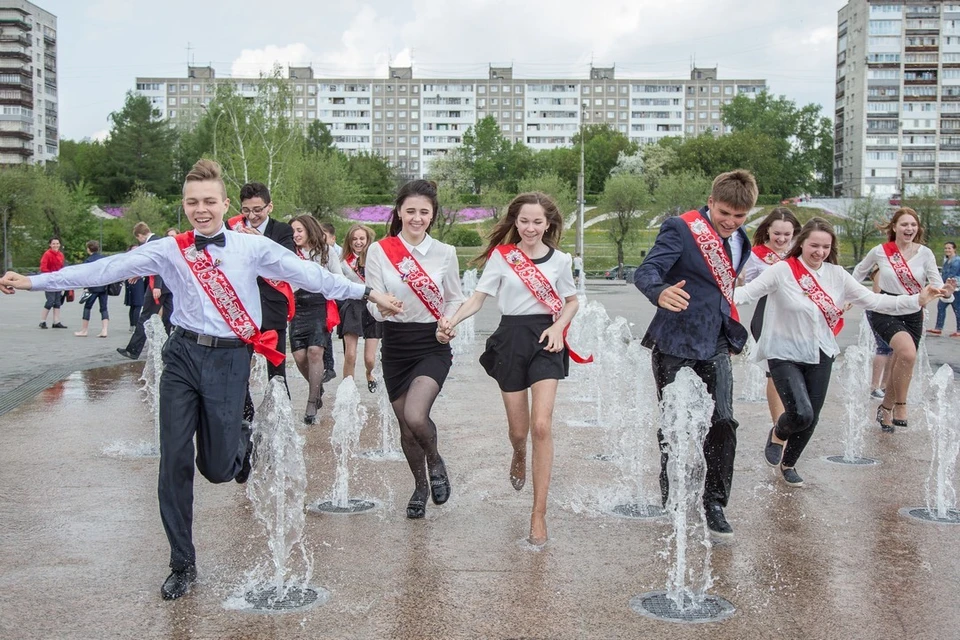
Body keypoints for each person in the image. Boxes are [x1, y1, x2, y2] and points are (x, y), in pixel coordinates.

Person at [0, 159, 402, 601]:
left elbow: (313, 275)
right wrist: (35, 282)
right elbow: (106, 269)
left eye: (210, 201)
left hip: (229, 361)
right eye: (193, 202)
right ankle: (182, 562)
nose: (201, 209)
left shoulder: (251, 248)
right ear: (185, 205)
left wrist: (367, 292)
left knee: (215, 467)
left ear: (225, 203)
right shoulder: (171, 249)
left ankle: (241, 441)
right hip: (182, 358)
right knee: (173, 460)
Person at [733, 218, 945, 486]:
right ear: (802, 244)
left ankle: (789, 464)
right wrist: (713, 296)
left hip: (821, 352)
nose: (819, 252)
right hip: (784, 351)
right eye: (813, 245)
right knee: (801, 412)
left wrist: (917, 300)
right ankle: (779, 432)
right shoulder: (783, 270)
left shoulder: (836, 275)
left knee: (813, 417)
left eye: (825, 247)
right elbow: (746, 293)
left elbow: (874, 300)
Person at [439, 192, 581, 546]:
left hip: (547, 339)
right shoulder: (503, 258)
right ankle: (519, 453)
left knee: (542, 425)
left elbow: (572, 301)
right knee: (520, 432)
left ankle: (538, 514)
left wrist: (559, 326)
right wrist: (452, 319)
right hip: (512, 339)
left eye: (537, 221)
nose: (530, 228)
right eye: (523, 221)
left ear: (548, 224)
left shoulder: (561, 261)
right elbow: (478, 297)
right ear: (515, 222)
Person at [634, 169, 757, 539]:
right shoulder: (681, 228)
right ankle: (670, 488)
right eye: (725, 213)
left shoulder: (741, 239)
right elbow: (647, 270)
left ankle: (714, 501)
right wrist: (659, 292)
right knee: (673, 421)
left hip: (716, 339)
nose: (730, 222)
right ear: (711, 202)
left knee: (724, 420)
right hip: (675, 337)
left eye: (739, 217)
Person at [365, 179, 465, 520]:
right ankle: (420, 486)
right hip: (395, 344)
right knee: (406, 429)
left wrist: (448, 321)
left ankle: (435, 460)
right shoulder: (380, 250)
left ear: (433, 214)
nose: (417, 218)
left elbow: (455, 297)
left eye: (424, 212)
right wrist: (382, 309)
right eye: (410, 211)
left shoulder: (445, 253)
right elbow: (372, 299)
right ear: (399, 212)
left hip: (431, 343)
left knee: (415, 415)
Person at [852, 207, 956, 432]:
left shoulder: (925, 253)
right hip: (885, 309)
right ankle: (901, 404)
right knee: (908, 353)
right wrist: (849, 297)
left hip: (912, 312)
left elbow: (936, 285)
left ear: (917, 228)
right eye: (904, 224)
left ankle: (886, 408)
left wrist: (946, 290)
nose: (909, 229)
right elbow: (857, 274)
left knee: (903, 359)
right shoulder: (880, 251)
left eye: (913, 225)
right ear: (894, 227)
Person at [741, 207, 800, 433]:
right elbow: (747, 289)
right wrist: (742, 281)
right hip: (768, 315)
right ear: (767, 231)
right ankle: (779, 428)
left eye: (787, 234)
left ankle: (794, 416)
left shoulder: (800, 252)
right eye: (777, 234)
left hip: (797, 317)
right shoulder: (755, 255)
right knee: (775, 372)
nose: (782, 239)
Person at [231, 182, 295, 390]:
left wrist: (262, 242)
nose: (252, 216)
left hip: (273, 306)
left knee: (277, 370)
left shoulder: (283, 230)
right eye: (246, 210)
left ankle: (280, 416)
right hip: (241, 309)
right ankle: (243, 414)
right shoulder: (232, 228)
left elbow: (288, 262)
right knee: (237, 367)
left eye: (258, 210)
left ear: (270, 207)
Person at [288, 214, 344, 424]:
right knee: (299, 356)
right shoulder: (289, 252)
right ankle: (317, 387)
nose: (295, 235)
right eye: (292, 231)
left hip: (319, 304)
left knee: (314, 351)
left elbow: (338, 277)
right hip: (297, 305)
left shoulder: (324, 251)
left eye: (299, 230)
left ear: (309, 229)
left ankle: (311, 403)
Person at [117, 222, 173, 359]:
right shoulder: (160, 240)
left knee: (145, 316)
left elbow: (160, 264)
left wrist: (157, 286)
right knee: (168, 318)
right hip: (170, 284)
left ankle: (133, 350)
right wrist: (139, 275)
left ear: (140, 235)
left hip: (158, 285)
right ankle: (167, 350)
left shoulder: (152, 243)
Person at [338, 223, 383, 393]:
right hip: (353, 307)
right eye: (354, 239)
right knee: (350, 354)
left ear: (368, 239)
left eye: (361, 238)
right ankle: (347, 388)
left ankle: (369, 373)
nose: (358, 242)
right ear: (349, 242)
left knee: (369, 359)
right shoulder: (342, 263)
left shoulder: (375, 259)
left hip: (372, 306)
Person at [319, 220, 341, 383]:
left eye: (324, 235)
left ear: (332, 238)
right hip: (315, 298)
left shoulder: (333, 251)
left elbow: (338, 275)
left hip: (331, 296)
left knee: (326, 330)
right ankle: (325, 365)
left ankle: (329, 366)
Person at [73, 240, 110, 338]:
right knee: (104, 308)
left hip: (92, 287)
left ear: (88, 249)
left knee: (87, 307)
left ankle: (84, 330)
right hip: (104, 286)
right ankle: (104, 330)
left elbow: (85, 275)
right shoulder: (104, 259)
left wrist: (85, 288)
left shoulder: (88, 261)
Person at [928, 241, 960, 337]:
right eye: (945, 248)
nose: (947, 250)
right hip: (946, 288)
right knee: (941, 306)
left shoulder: (957, 260)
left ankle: (959, 329)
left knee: (957, 308)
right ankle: (938, 328)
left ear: (954, 249)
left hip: (956, 288)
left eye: (949, 248)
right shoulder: (946, 261)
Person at [38, 237, 67, 329]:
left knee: (58, 301)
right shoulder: (47, 254)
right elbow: (43, 267)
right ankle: (42, 321)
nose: (56, 245)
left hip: (58, 281)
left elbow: (62, 267)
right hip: (49, 280)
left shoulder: (61, 255)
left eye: (57, 243)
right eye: (53, 244)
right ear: (50, 245)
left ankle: (56, 321)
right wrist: (50, 276)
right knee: (50, 301)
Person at [122, 245, 147, 333]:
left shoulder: (128, 260)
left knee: (133, 305)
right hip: (136, 282)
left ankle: (132, 325)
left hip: (131, 282)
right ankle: (135, 325)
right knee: (137, 304)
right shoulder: (137, 260)